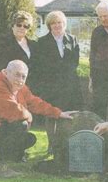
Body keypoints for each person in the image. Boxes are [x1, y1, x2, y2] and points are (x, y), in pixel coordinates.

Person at [0, 60, 75, 178]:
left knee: (29, 139)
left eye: (23, 76)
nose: (20, 80)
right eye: (17, 75)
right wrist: (29, 116)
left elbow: (34, 102)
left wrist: (58, 113)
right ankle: (1, 166)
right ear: (6, 73)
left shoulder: (19, 87)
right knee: (21, 125)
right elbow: (14, 111)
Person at [33, 11, 83, 154]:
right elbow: (40, 65)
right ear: (49, 25)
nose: (56, 25)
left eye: (59, 22)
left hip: (69, 85)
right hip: (51, 86)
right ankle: (52, 145)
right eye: (53, 23)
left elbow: (75, 62)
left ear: (64, 24)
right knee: (51, 115)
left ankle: (65, 146)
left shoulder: (72, 39)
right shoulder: (42, 42)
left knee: (68, 115)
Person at [0, 11, 36, 84]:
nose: (22, 28)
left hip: (31, 86)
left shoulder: (33, 44)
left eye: (25, 26)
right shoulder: (3, 43)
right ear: (13, 26)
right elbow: (0, 67)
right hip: (11, 85)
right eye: (19, 25)